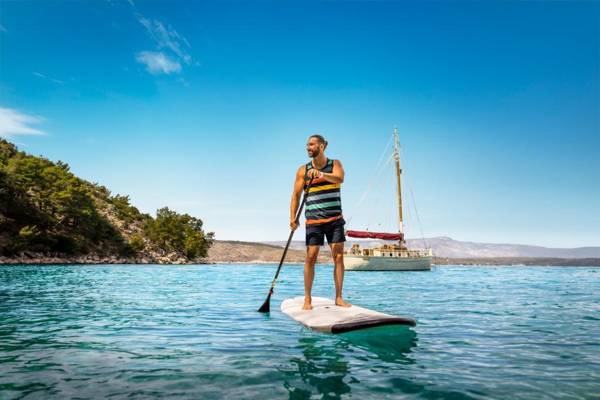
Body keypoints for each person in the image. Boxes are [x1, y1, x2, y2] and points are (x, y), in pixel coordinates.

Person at [290, 134, 351, 310]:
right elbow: (296, 195)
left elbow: (339, 178)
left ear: (322, 146)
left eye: (311, 144)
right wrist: (292, 218)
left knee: (338, 257)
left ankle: (338, 297)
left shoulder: (335, 164)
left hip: (335, 219)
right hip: (313, 221)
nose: (308, 147)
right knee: (311, 257)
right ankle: (307, 299)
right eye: (307, 145)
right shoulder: (303, 170)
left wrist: (321, 174)